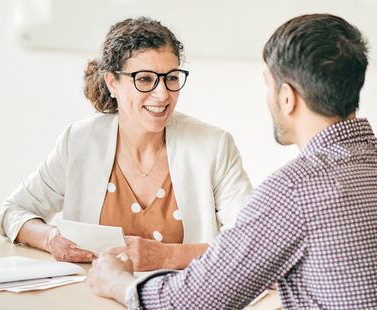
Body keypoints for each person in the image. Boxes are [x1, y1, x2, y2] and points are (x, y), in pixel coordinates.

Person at [88, 13, 377, 309]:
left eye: (268, 85)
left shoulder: (295, 190)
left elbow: (192, 302)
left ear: (287, 98)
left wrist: (118, 283)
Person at [0, 17, 252, 271]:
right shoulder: (79, 141)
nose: (162, 94)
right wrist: (50, 238)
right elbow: (14, 211)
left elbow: (252, 242)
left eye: (172, 78)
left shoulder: (214, 146)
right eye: (144, 79)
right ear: (112, 83)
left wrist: (169, 257)